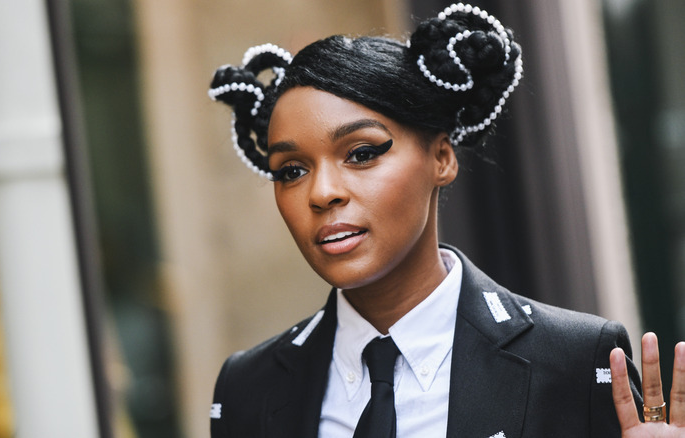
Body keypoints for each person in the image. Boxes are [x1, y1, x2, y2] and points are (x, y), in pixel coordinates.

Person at [207, 3, 685, 437]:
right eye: (291, 170)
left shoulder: (573, 361)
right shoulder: (249, 388)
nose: (323, 192)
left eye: (361, 153)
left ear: (441, 156)